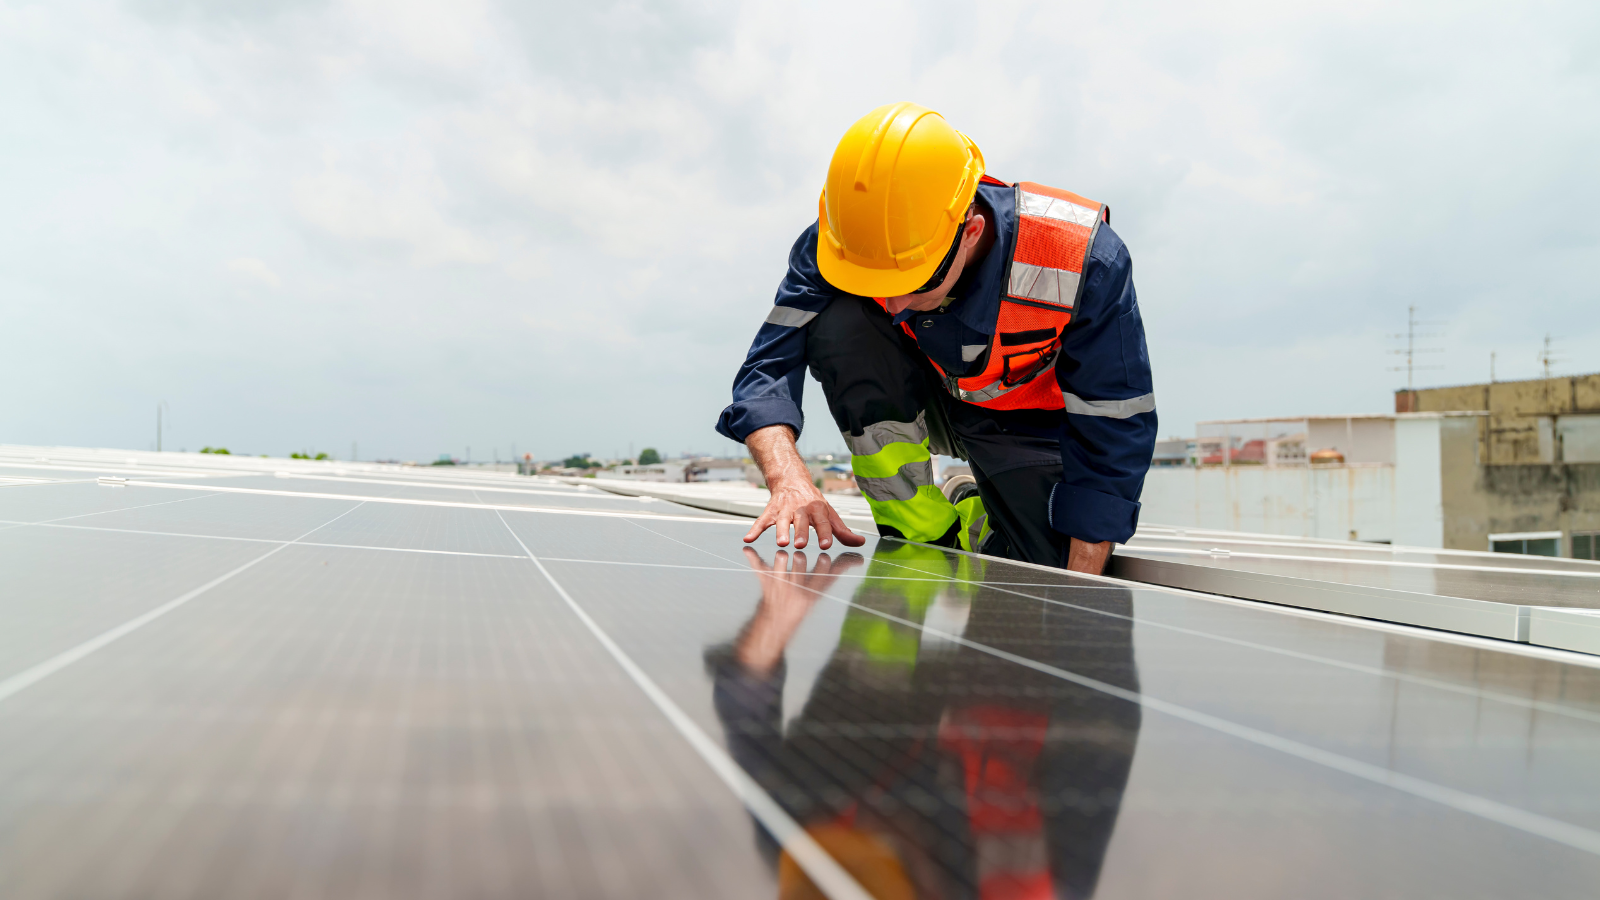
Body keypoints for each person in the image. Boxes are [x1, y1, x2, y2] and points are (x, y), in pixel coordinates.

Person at [716, 101, 1156, 574]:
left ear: (970, 232)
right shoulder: (845, 243)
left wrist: (1079, 593)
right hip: (928, 397)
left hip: (1028, 429)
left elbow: (1114, 418)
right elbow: (766, 370)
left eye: (914, 283)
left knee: (1043, 568)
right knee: (842, 322)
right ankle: (919, 526)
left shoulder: (1078, 257)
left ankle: (974, 511)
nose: (891, 307)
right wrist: (789, 480)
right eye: (875, 288)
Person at [707, 545, 1142, 898]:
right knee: (1025, 557)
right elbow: (1105, 722)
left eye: (868, 836)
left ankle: (912, 571)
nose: (887, 829)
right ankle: (992, 538)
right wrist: (1085, 591)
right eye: (893, 846)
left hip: (876, 709)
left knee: (865, 674)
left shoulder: (804, 849)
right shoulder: (1042, 883)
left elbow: (744, 705)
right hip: (999, 714)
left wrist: (775, 621)